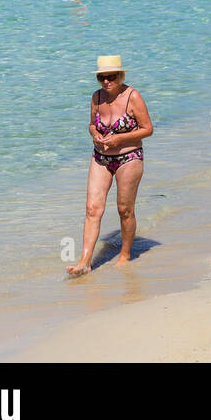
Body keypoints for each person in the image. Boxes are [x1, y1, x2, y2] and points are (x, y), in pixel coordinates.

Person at [66, 55, 153, 277]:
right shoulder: (96, 97)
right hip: (101, 157)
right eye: (101, 78)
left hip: (129, 157)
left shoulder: (133, 96)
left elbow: (147, 129)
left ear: (121, 76)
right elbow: (91, 124)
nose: (106, 82)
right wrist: (95, 133)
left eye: (111, 77)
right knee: (92, 209)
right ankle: (85, 261)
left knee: (125, 210)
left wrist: (119, 140)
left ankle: (125, 254)